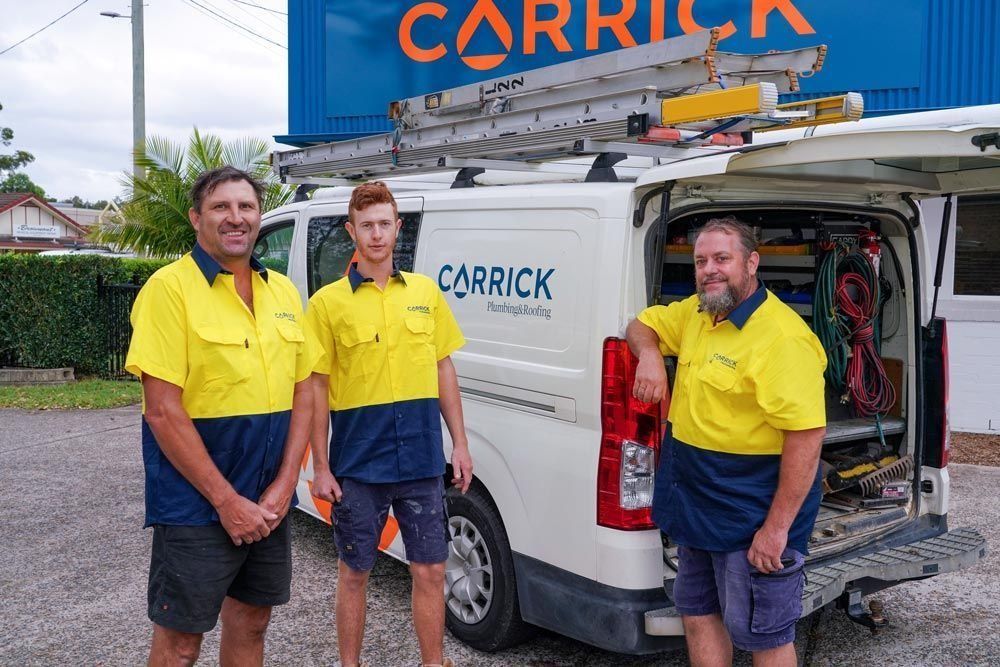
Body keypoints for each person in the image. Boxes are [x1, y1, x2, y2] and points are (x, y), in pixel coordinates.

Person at [125, 166, 320, 666]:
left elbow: (304, 390)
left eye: (246, 206)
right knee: (181, 643)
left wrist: (285, 485)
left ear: (259, 216)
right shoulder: (169, 290)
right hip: (196, 504)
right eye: (221, 207)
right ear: (196, 219)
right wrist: (226, 501)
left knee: (252, 621)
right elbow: (162, 411)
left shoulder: (282, 292)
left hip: (268, 499)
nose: (236, 217)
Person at [626, 215, 827, 666]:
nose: (709, 269)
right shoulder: (697, 314)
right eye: (701, 261)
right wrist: (650, 355)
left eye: (722, 258)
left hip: (752, 509)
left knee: (764, 634)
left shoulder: (782, 339)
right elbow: (640, 324)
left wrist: (776, 531)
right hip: (696, 503)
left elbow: (807, 438)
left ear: (751, 263)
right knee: (697, 613)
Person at [306, 181, 473, 667]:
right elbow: (316, 387)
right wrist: (321, 466)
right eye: (367, 226)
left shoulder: (425, 293)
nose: (376, 234)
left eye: (384, 224)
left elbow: (443, 368)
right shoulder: (327, 304)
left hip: (421, 460)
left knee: (431, 572)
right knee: (355, 572)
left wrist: (460, 444)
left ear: (398, 228)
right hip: (359, 465)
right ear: (351, 231)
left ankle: (433, 662)